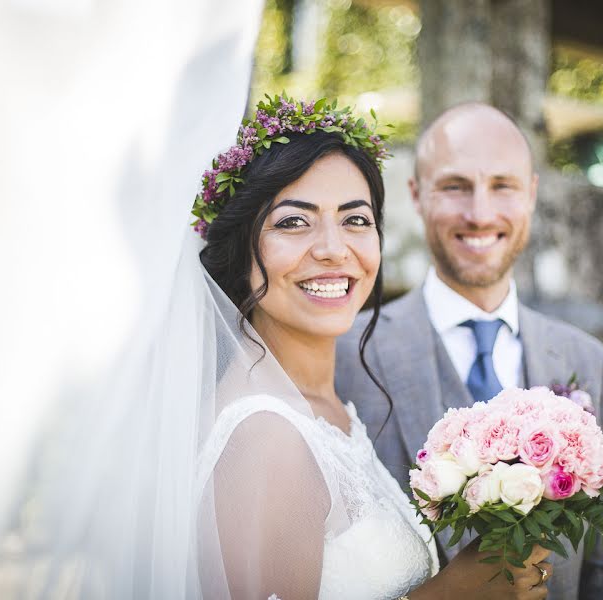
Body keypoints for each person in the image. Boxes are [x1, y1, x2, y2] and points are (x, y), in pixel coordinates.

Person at [192, 95, 553, 599]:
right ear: (239, 251)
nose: (334, 248)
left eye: (355, 219)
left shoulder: (330, 409)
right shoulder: (264, 434)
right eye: (294, 221)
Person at [336, 103, 603, 599]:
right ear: (416, 195)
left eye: (503, 185)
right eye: (455, 186)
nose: (479, 213)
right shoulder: (347, 354)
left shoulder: (588, 362)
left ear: (532, 194)